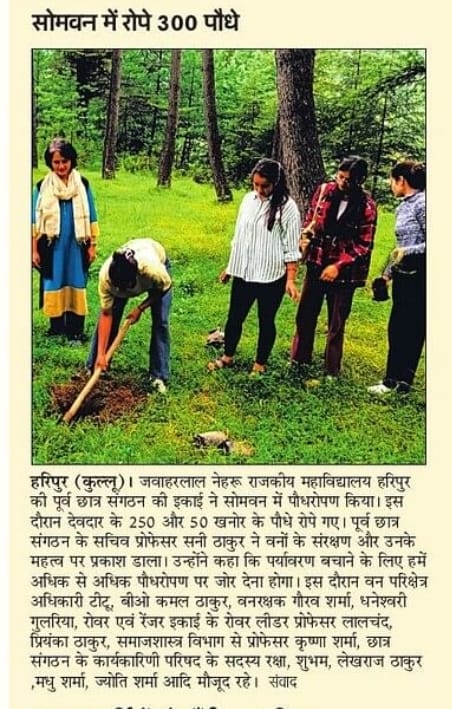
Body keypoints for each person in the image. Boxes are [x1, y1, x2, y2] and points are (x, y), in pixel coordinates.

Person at [208, 158, 301, 375]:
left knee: (266, 320)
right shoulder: (248, 200)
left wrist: (290, 279)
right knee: (234, 318)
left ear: (275, 183)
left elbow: (291, 248)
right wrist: (231, 267)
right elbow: (240, 237)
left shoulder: (288, 208)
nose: (259, 190)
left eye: (265, 186)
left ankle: (259, 364)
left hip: (271, 275)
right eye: (256, 184)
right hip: (244, 272)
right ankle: (227, 356)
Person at [291, 155, 377, 380]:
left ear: (359, 181)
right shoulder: (323, 191)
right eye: (339, 176)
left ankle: (331, 370)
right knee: (305, 313)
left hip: (344, 273)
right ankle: (299, 360)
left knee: (336, 321)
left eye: (347, 180)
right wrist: (305, 237)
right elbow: (310, 218)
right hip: (317, 262)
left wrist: (338, 266)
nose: (341, 182)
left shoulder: (367, 206)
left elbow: (364, 245)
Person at [32, 137, 99, 343]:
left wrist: (92, 246)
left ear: (71, 161)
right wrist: (33, 250)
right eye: (56, 162)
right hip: (51, 247)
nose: (61, 166)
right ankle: (56, 328)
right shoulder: (42, 186)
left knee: (75, 281)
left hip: (77, 245)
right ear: (50, 163)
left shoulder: (83, 184)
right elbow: (33, 221)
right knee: (54, 282)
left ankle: (76, 331)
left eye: (64, 161)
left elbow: (93, 216)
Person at [368, 160, 426, 396]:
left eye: (392, 180)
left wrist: (408, 252)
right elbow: (400, 244)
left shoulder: (424, 204)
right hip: (404, 273)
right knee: (398, 327)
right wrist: (387, 273)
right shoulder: (403, 206)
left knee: (411, 328)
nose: (391, 185)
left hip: (421, 274)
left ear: (402, 180)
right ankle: (394, 379)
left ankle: (400, 381)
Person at [86, 238, 172, 393]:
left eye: (125, 288)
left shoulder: (152, 269)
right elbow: (106, 314)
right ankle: (96, 365)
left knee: (161, 321)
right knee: (113, 313)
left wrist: (140, 308)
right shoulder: (106, 278)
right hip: (127, 272)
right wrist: (101, 354)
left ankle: (158, 376)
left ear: (136, 278)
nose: (122, 292)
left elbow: (164, 288)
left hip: (157, 267)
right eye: (117, 288)